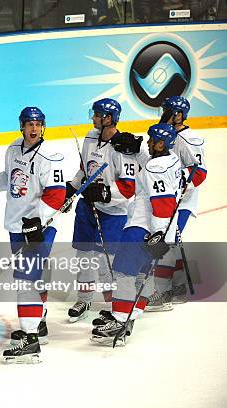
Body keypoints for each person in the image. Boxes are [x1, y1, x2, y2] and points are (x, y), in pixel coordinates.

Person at [0, 107, 66, 363]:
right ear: (21, 126)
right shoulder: (14, 148)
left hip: (38, 228)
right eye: (29, 123)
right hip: (16, 225)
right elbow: (10, 179)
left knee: (26, 281)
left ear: (43, 126)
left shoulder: (50, 156)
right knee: (31, 277)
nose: (33, 128)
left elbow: (57, 195)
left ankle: (31, 339)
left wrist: (38, 221)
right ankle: (38, 324)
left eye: (38, 123)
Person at [91, 124, 182, 346]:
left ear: (161, 144)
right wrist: (137, 148)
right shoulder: (172, 161)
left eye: (151, 140)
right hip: (159, 229)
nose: (148, 143)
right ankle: (130, 313)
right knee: (140, 274)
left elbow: (162, 204)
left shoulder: (155, 169)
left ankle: (120, 319)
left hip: (144, 228)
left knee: (123, 271)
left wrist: (157, 235)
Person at [66, 98, 138, 322]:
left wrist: (106, 193)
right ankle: (84, 297)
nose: (93, 118)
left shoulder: (123, 148)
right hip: (87, 208)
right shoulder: (89, 137)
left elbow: (129, 186)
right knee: (85, 256)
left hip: (114, 214)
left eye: (96, 114)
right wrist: (72, 187)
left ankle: (113, 303)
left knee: (108, 261)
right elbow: (84, 170)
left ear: (108, 118)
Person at [147, 96, 207, 311]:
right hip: (168, 198)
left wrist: (177, 184)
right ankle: (179, 286)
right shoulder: (165, 132)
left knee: (167, 244)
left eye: (166, 110)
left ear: (179, 114)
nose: (162, 114)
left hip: (182, 200)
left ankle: (164, 293)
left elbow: (199, 172)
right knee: (172, 243)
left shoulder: (190, 139)